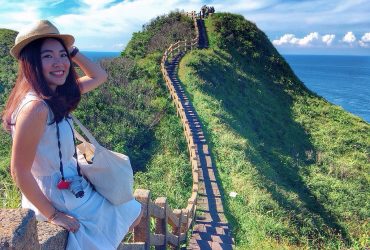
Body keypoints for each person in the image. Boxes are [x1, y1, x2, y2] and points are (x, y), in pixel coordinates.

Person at [2, 20, 142, 249]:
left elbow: (99, 76)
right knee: (129, 213)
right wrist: (53, 215)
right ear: (31, 62)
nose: (59, 63)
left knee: (131, 211)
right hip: (56, 195)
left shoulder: (53, 95)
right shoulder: (35, 107)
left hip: (72, 184)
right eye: (48, 56)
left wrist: (73, 51)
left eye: (62, 55)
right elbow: (19, 170)